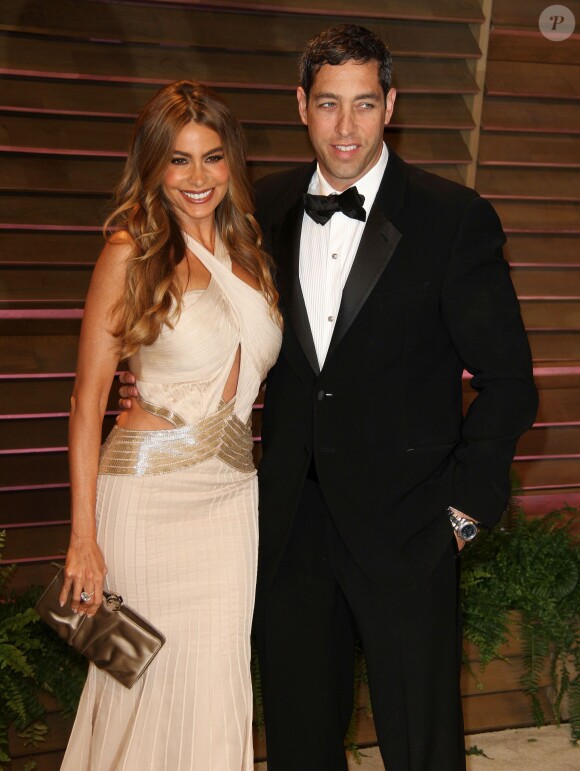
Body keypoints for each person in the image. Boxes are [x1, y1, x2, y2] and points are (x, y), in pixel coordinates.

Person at [120, 24, 538, 771]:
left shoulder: (452, 217)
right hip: (290, 530)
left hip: (411, 525)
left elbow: (509, 383)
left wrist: (463, 514)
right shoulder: (257, 207)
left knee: (422, 746)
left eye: (365, 103)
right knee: (299, 744)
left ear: (391, 106)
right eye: (328, 104)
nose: (346, 126)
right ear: (301, 106)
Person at [59, 80, 282, 770]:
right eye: (178, 159)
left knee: (216, 683)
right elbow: (86, 402)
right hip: (147, 496)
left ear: (231, 161)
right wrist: (83, 538)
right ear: (153, 165)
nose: (197, 177)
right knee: (142, 685)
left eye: (212, 157)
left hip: (230, 500)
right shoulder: (130, 252)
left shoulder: (251, 255)